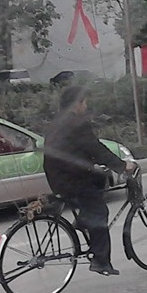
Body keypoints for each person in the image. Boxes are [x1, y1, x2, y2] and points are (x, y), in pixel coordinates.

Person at [43, 86, 135, 276]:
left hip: (58, 177)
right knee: (99, 212)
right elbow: (95, 148)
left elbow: (80, 149)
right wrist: (121, 165)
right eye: (84, 102)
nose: (86, 106)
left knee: (98, 179)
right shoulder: (77, 123)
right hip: (72, 178)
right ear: (77, 104)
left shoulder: (57, 122)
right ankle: (101, 261)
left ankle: (84, 219)